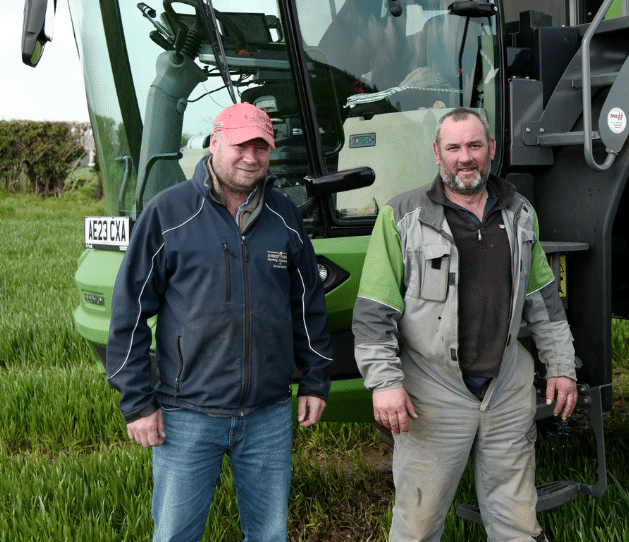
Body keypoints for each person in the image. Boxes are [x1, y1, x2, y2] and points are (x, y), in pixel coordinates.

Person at [106, 101, 333, 542]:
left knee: (269, 535)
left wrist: (315, 380)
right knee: (175, 535)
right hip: (186, 413)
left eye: (261, 148)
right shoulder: (168, 213)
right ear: (214, 143)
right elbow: (130, 310)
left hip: (268, 414)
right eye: (240, 145)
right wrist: (136, 402)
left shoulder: (284, 216)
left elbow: (307, 305)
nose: (251, 158)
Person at [353, 107, 578, 542]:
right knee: (417, 526)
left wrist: (562, 366)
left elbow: (543, 302)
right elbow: (373, 312)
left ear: (491, 149)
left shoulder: (520, 213)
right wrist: (384, 383)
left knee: (517, 523)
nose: (465, 157)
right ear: (436, 154)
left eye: (475, 145)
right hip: (432, 392)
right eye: (454, 147)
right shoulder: (402, 216)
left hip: (506, 388)